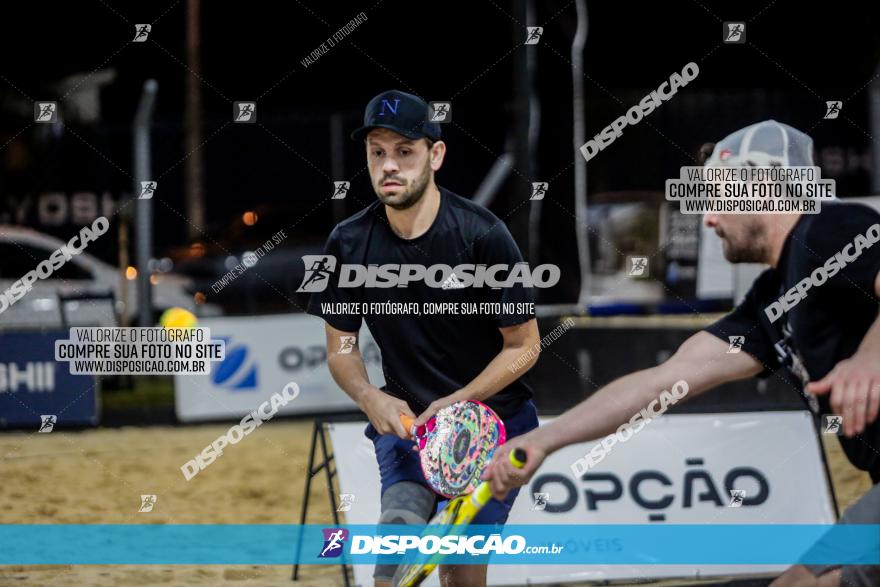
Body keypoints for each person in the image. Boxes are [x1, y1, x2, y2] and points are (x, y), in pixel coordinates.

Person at [485, 120, 880, 587]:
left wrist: (870, 356)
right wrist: (544, 442)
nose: (708, 219)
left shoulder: (829, 228)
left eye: (716, 198)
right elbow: (661, 382)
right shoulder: (769, 301)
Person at [307, 89, 542, 587]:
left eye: (405, 151)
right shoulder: (348, 243)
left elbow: (525, 346)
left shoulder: (483, 234)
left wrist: (458, 402)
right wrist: (370, 396)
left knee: (458, 574)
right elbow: (340, 348)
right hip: (410, 429)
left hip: (490, 430)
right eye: (377, 152)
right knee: (390, 571)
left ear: (435, 155)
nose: (389, 165)